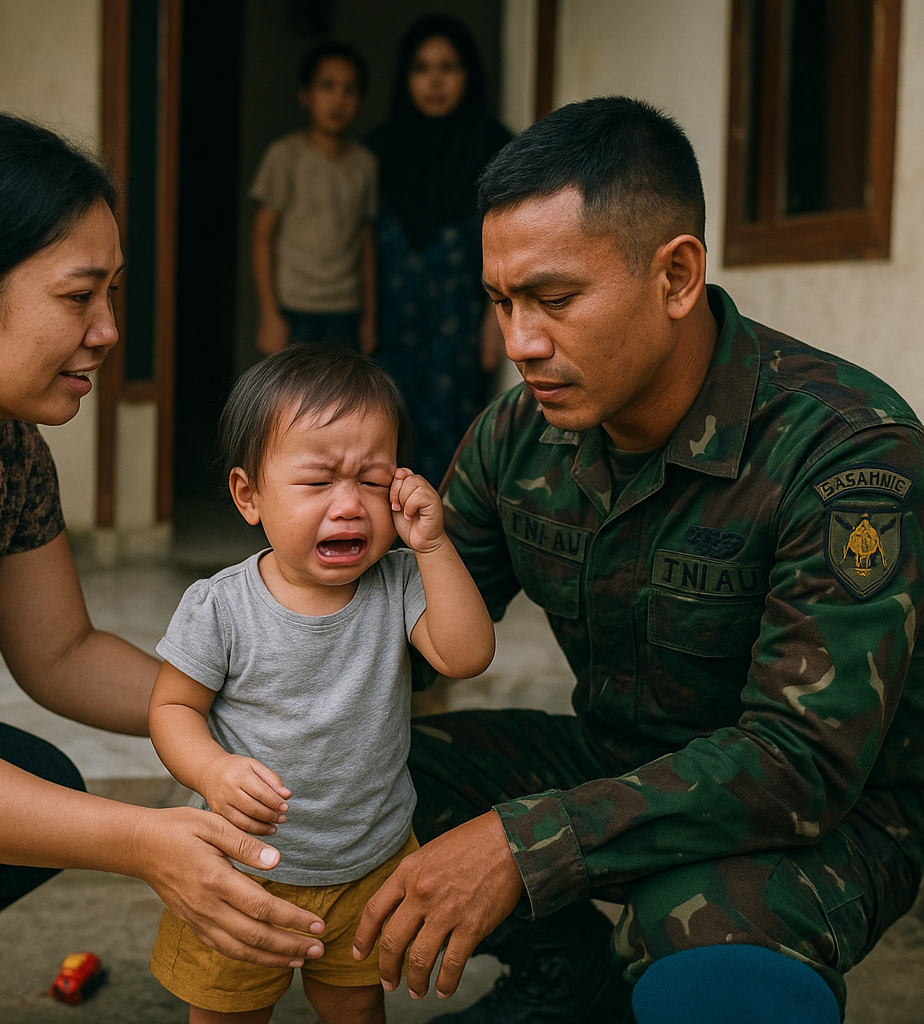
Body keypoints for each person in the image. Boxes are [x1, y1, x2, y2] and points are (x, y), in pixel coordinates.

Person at [352, 98, 924, 1024]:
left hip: (824, 815)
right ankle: (567, 975)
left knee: (696, 944)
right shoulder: (518, 434)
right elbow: (398, 634)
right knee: (348, 779)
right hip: (616, 761)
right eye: (501, 302)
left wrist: (527, 846)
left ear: (677, 276)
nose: (521, 343)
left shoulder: (845, 451)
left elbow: (803, 763)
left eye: (555, 300)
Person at [0, 112, 331, 1024]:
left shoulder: (6, 450)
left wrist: (248, 711)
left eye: (113, 293)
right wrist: (144, 840)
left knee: (34, 780)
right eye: (77, 296)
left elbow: (61, 652)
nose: (106, 330)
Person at [148, 346, 495, 1023]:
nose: (349, 505)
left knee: (355, 1007)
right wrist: (213, 770)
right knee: (227, 1014)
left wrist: (432, 546)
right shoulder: (221, 607)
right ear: (249, 495)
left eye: (372, 480)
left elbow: (467, 656)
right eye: (316, 481)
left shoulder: (398, 582)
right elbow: (171, 707)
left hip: (370, 862)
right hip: (243, 867)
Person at [366, 14, 511, 485]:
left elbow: (509, 242)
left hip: (458, 329)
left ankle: (444, 531)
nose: (434, 81)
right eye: (422, 68)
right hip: (389, 326)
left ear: (468, 75)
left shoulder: (496, 149)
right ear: (404, 77)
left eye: (448, 67)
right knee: (382, 429)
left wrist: (495, 320)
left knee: (455, 438)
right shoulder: (378, 151)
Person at [250, 42, 377, 356]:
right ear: (305, 95)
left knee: (343, 386)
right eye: (327, 86)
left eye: (349, 90)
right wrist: (269, 314)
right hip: (294, 305)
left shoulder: (365, 163)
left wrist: (369, 318)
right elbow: (262, 238)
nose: (338, 100)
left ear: (360, 101)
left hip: (345, 307)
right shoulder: (284, 156)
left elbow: (366, 244)